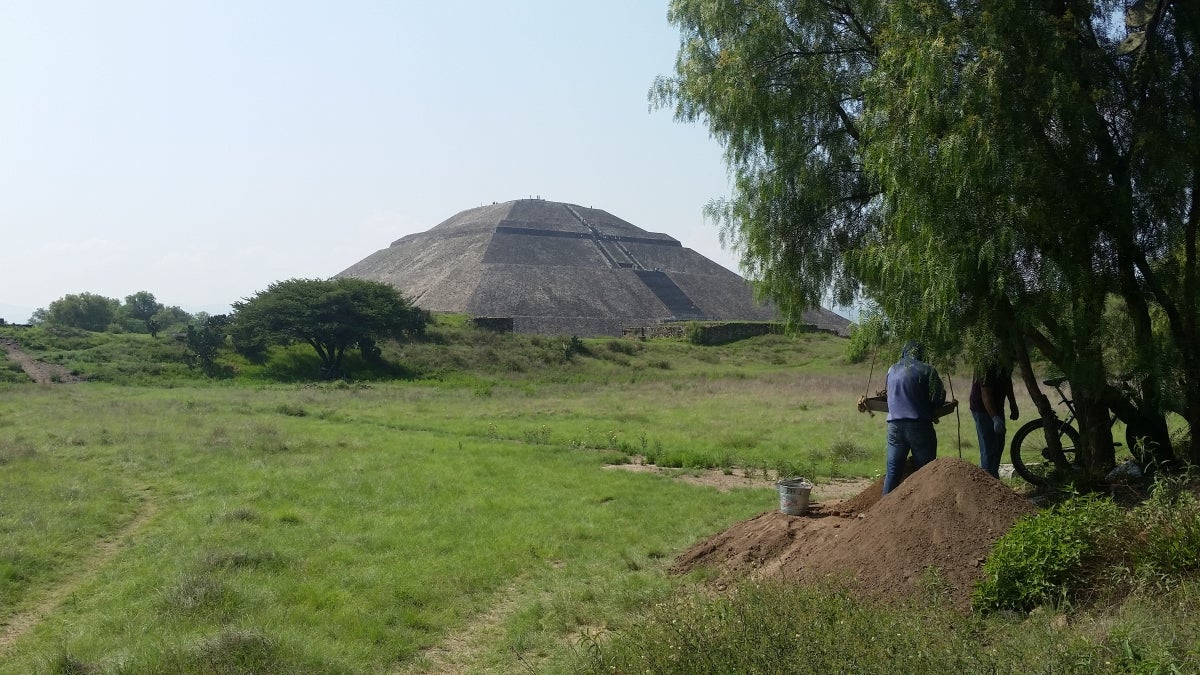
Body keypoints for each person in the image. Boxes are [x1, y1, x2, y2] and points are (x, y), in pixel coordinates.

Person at [882, 340, 948, 495]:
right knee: (926, 471)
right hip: (919, 426)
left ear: (904, 353)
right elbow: (938, 399)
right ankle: (925, 508)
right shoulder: (928, 370)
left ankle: (882, 512)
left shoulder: (892, 369)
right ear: (921, 354)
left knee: (893, 470)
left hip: (894, 426)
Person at [970, 360, 1019, 478]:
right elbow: (986, 394)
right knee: (989, 448)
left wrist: (1013, 403)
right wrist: (995, 418)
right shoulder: (987, 366)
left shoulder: (1006, 362)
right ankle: (987, 481)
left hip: (997, 406)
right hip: (983, 409)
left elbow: (1007, 381)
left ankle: (992, 477)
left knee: (998, 445)